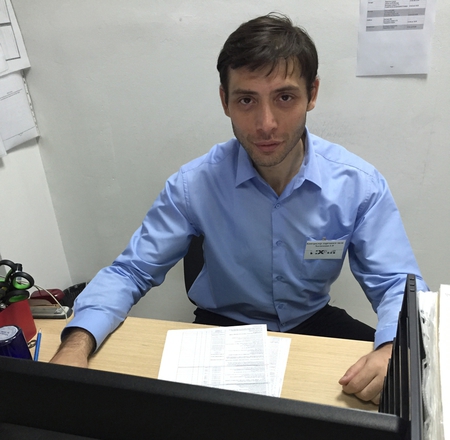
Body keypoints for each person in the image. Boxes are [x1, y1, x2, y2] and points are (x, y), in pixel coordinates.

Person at [51, 13, 427, 404]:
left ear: (312, 94)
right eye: (247, 100)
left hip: (312, 319)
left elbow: (397, 284)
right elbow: (131, 271)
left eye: (285, 97)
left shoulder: (358, 185)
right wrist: (76, 344)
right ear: (224, 101)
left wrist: (392, 348)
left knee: (403, 392)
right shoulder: (193, 184)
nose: (266, 124)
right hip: (223, 328)